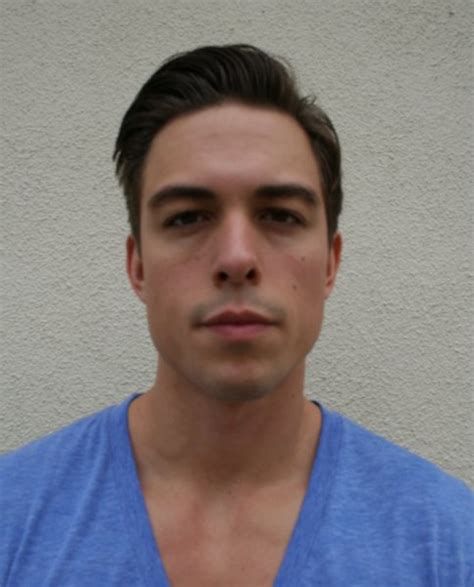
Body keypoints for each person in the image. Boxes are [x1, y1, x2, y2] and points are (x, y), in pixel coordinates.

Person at [0, 44, 472, 587]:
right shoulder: (12, 520)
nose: (236, 258)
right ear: (138, 267)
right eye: (188, 217)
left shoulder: (449, 543)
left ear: (330, 263)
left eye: (280, 215)